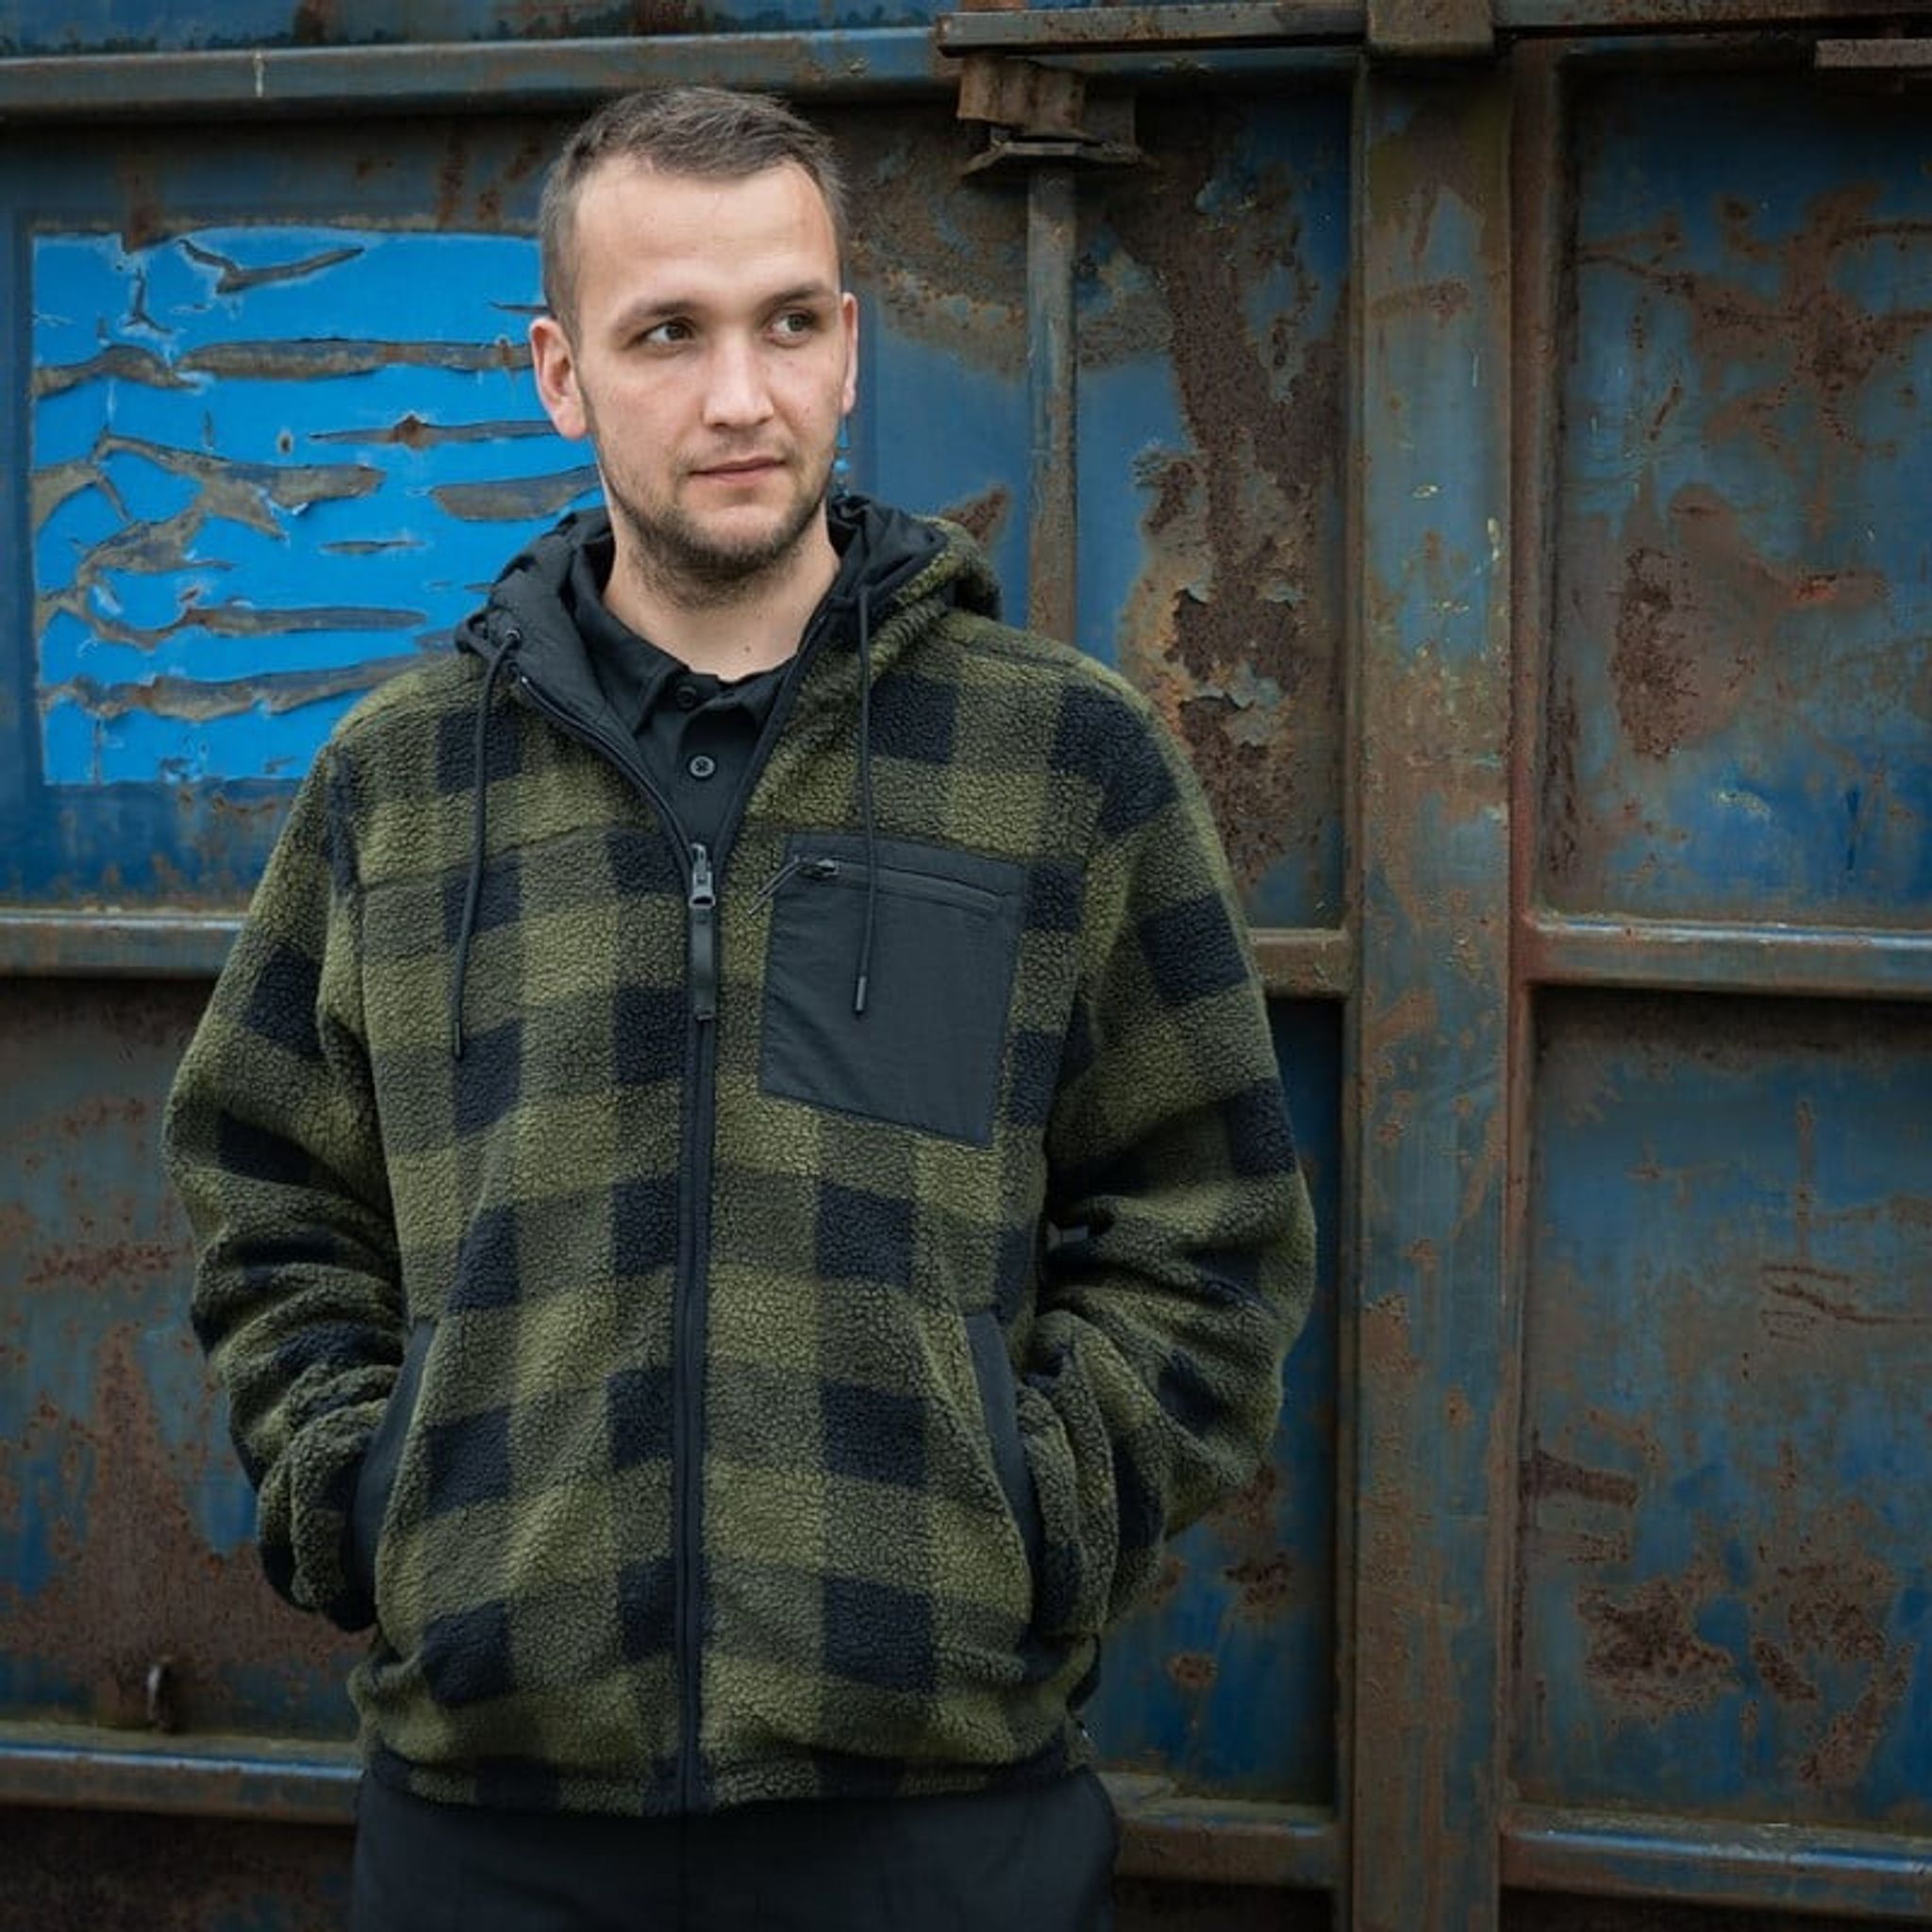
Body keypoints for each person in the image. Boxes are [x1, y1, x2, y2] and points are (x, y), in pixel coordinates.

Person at [163, 85, 1315, 1932]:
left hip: (940, 1826)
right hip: (491, 1825)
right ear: (560, 373)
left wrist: (1033, 1519)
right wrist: (376, 1498)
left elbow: (1210, 1220)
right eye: (666, 334)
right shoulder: (403, 784)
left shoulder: (1055, 761)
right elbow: (267, 1191)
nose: (738, 396)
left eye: (787, 323)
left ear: (849, 346)